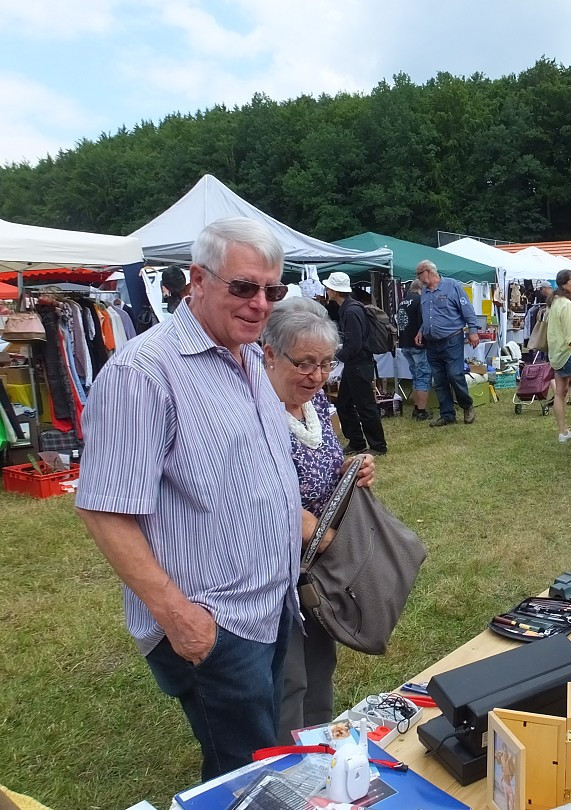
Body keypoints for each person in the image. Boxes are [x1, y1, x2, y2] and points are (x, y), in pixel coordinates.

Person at [75, 218, 300, 781]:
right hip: (213, 619)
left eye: (273, 291)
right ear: (196, 280)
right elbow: (104, 510)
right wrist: (179, 616)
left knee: (256, 753)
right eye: (244, 287)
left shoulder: (248, 357)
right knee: (242, 771)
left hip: (269, 604)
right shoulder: (142, 374)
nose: (260, 304)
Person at [262, 298, 376, 742]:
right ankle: (285, 765)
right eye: (305, 363)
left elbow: (326, 462)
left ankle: (319, 748)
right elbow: (258, 491)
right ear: (269, 354)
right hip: (275, 567)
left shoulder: (314, 407)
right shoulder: (256, 412)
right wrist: (317, 531)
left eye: (327, 364)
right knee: (288, 674)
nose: (318, 375)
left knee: (319, 661)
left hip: (316, 568)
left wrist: (352, 468)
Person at [321, 272, 387, 456]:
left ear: (335, 290)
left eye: (329, 287)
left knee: (365, 406)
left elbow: (355, 344)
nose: (326, 290)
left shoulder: (351, 310)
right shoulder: (350, 308)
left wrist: (337, 355)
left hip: (358, 364)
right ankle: (357, 441)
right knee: (344, 403)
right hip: (356, 365)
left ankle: (378, 445)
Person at [417, 259, 480, 427]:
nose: (417, 278)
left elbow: (468, 310)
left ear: (428, 272)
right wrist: (421, 330)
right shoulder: (424, 292)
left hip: (452, 339)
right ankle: (447, 415)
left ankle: (467, 406)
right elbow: (428, 317)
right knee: (439, 379)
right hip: (432, 343)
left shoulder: (453, 286)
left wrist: (473, 331)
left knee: (454, 374)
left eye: (419, 274)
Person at [547, 269, 571, 442]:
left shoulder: (554, 302)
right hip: (567, 354)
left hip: (555, 354)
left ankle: (563, 432)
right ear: (564, 284)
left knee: (560, 393)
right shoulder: (566, 304)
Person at [397, 279, 432, 420]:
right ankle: (421, 411)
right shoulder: (420, 301)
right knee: (423, 377)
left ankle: (417, 408)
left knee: (416, 376)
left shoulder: (402, 302)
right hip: (418, 344)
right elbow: (424, 323)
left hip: (405, 344)